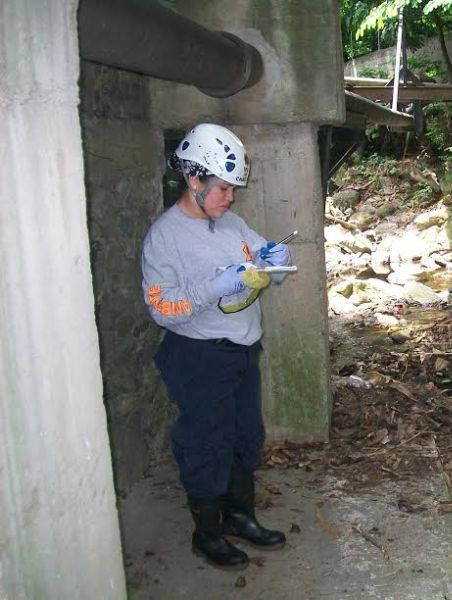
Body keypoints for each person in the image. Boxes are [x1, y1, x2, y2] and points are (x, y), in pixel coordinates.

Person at [141, 123, 291, 570]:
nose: (231, 197)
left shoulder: (230, 221)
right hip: (198, 357)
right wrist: (214, 287)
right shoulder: (164, 237)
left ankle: (239, 517)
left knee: (245, 436)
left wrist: (274, 260)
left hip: (243, 351)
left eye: (233, 189)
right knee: (207, 442)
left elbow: (262, 256)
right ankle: (206, 535)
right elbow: (162, 309)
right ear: (194, 180)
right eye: (224, 188)